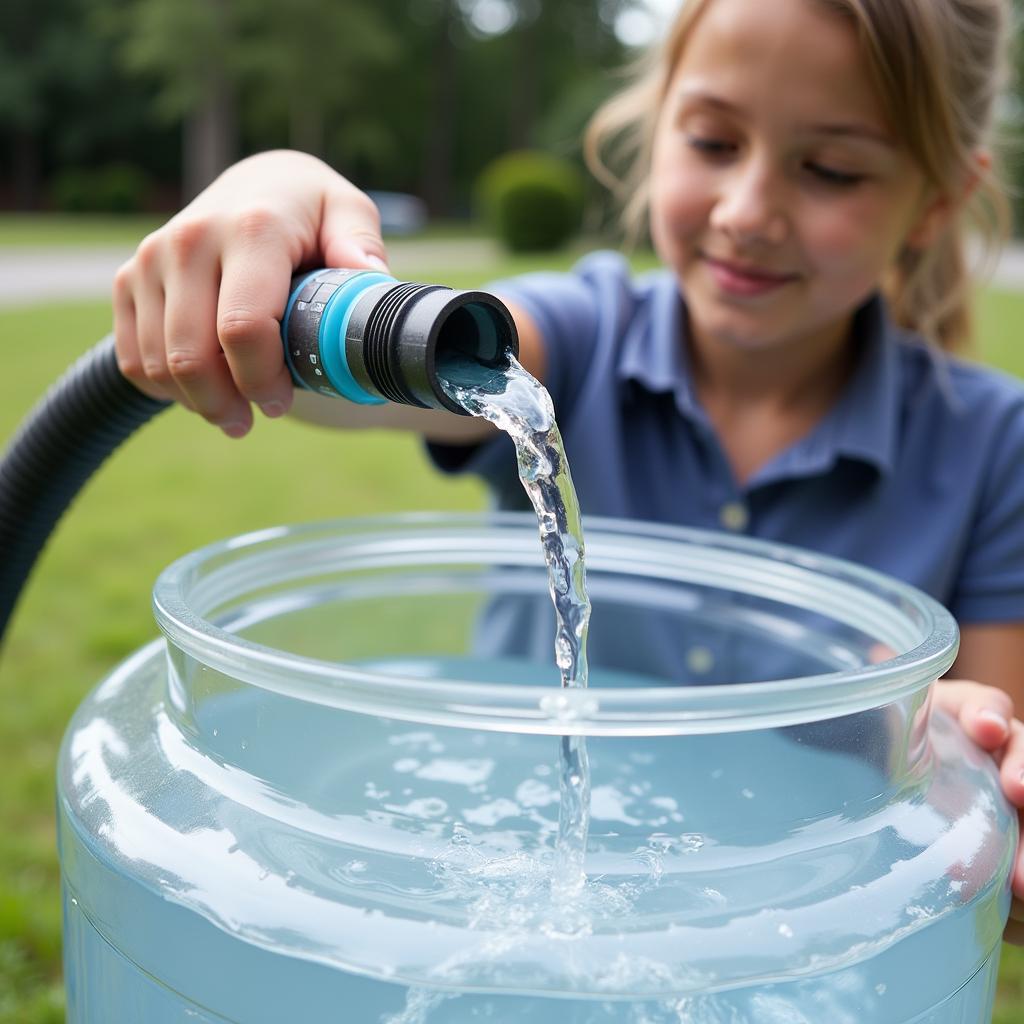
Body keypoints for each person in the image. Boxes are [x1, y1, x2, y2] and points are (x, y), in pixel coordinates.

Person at [110, 0, 1024, 939]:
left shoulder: (994, 447)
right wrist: (274, 196)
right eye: (713, 141)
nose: (748, 212)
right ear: (656, 126)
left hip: (793, 931)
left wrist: (943, 744)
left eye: (831, 169)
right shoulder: (576, 341)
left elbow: (975, 762)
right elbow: (368, 377)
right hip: (511, 905)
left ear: (941, 199)